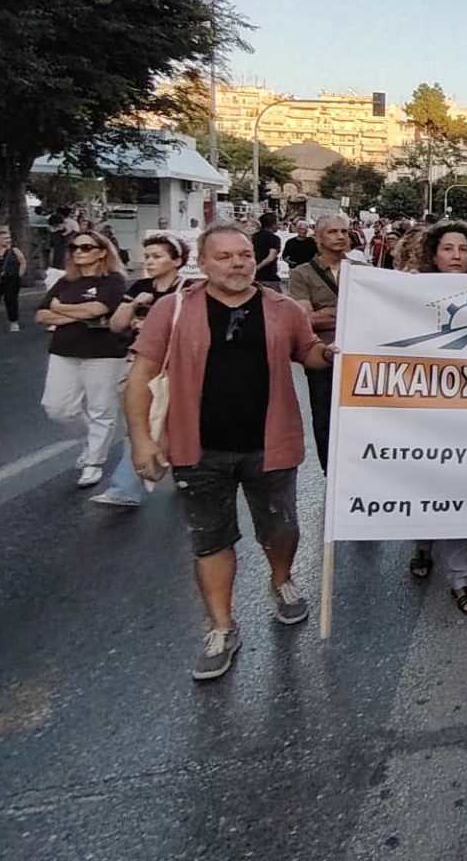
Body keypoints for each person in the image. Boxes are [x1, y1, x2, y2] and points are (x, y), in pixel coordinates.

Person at [126, 223, 336, 680]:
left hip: (271, 445)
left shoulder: (282, 309)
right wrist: (142, 439)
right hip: (197, 449)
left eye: (244, 255)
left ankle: (281, 580)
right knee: (211, 538)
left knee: (282, 529)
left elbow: (308, 352)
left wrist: (330, 355)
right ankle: (222, 626)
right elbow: (142, 374)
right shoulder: (172, 309)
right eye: (224, 256)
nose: (237, 263)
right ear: (203, 263)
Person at [408, 222, 467, 612]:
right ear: (433, 253)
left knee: (461, 490)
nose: (456, 256)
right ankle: (423, 544)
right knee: (426, 485)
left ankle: (461, 578)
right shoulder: (408, 290)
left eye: (463, 249)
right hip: (423, 408)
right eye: (448, 249)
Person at [92, 233, 190, 508]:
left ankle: (185, 470)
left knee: (176, 420)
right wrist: (134, 304)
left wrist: (156, 324)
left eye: (157, 256)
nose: (149, 262)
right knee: (139, 421)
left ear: (177, 261)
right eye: (147, 256)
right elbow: (116, 325)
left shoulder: (187, 290)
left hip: (176, 364)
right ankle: (126, 488)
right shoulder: (140, 287)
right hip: (139, 362)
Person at [35, 232, 128, 488]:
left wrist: (60, 309)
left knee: (101, 408)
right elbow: (42, 315)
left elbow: (98, 309)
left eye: (86, 247)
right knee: (57, 407)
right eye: (74, 247)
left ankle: (94, 462)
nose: (78, 251)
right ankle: (90, 439)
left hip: (104, 352)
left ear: (102, 251)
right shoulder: (66, 281)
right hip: (63, 349)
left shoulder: (113, 280)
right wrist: (80, 314)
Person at [287, 214, 350, 474]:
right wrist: (348, 311)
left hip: (355, 357)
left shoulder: (361, 270)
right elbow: (306, 319)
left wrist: (327, 313)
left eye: (344, 231)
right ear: (319, 237)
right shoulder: (302, 274)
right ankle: (330, 472)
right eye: (333, 232)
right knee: (324, 418)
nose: (340, 236)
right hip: (322, 357)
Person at [251, 212, 282, 292]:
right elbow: (270, 258)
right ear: (273, 224)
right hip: (269, 276)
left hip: (254, 277)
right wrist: (257, 268)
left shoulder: (253, 237)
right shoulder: (274, 238)